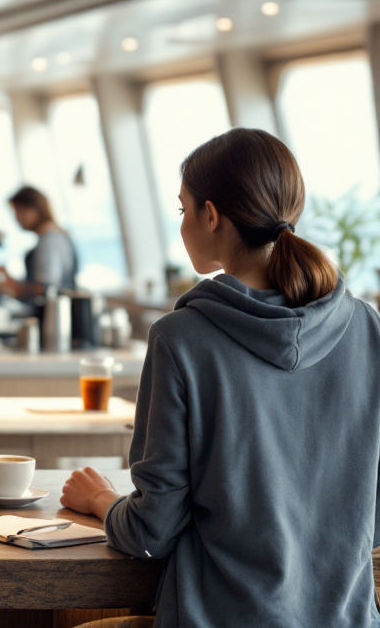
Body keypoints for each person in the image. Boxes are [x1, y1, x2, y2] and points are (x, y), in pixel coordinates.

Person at [61, 128, 380, 628]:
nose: (183, 223)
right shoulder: (367, 326)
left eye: (183, 208)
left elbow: (151, 532)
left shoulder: (181, 339)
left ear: (211, 216)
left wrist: (101, 501)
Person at [0, 186, 77, 298]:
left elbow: (44, 289)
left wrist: (10, 283)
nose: (17, 218)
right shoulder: (57, 236)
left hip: (50, 313)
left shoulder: (49, 241)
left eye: (19, 211)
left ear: (35, 209)